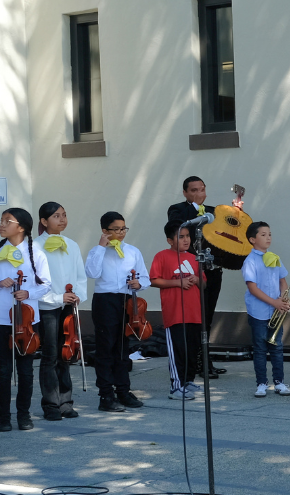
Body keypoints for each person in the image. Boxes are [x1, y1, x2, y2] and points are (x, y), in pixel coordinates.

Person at [0, 207, 51, 432]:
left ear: (21, 227)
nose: (2, 225)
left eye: (7, 221)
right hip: (1, 317)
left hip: (28, 320)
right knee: (3, 369)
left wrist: (28, 292)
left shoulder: (37, 253)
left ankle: (23, 414)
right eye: (0, 221)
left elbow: (46, 284)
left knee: (26, 369)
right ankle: (3, 417)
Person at [166, 176, 239, 378]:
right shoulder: (178, 209)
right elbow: (177, 227)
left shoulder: (213, 211)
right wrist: (196, 209)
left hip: (212, 270)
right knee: (196, 319)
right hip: (191, 272)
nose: (200, 193)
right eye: (194, 190)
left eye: (202, 189)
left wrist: (236, 214)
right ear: (185, 193)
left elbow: (230, 233)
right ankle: (196, 364)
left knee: (207, 318)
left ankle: (205, 362)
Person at [84, 211, 149, 412]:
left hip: (127, 300)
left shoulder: (132, 251)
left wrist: (139, 283)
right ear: (105, 231)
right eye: (116, 229)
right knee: (106, 348)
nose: (121, 233)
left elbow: (145, 277)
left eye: (123, 229)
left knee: (123, 347)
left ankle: (123, 390)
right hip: (105, 300)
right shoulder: (97, 251)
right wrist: (100, 247)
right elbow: (91, 273)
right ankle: (105, 394)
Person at [35, 202, 86, 421]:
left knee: (66, 353)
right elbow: (36, 283)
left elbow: (80, 276)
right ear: (44, 221)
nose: (62, 219)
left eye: (64, 215)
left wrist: (77, 295)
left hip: (68, 305)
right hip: (47, 306)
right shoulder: (35, 246)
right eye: (56, 216)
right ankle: (50, 404)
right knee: (50, 355)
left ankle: (66, 402)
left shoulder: (71, 245)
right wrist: (57, 297)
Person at [152, 220, 206, 401]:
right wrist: (178, 282)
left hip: (194, 313)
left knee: (192, 349)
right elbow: (154, 280)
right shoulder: (162, 256)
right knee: (178, 350)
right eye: (181, 237)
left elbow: (204, 283)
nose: (186, 240)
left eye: (188, 236)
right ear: (169, 240)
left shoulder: (193, 258)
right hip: (175, 313)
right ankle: (176, 386)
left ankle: (188, 381)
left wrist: (197, 280)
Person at [242, 221, 290, 398]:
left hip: (276, 312)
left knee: (277, 348)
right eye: (263, 235)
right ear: (252, 239)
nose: (268, 237)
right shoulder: (250, 261)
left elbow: (283, 282)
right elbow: (252, 288)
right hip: (259, 312)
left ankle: (279, 382)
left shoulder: (275, 257)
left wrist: (282, 299)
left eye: (269, 234)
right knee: (260, 349)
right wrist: (274, 302)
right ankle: (261, 383)